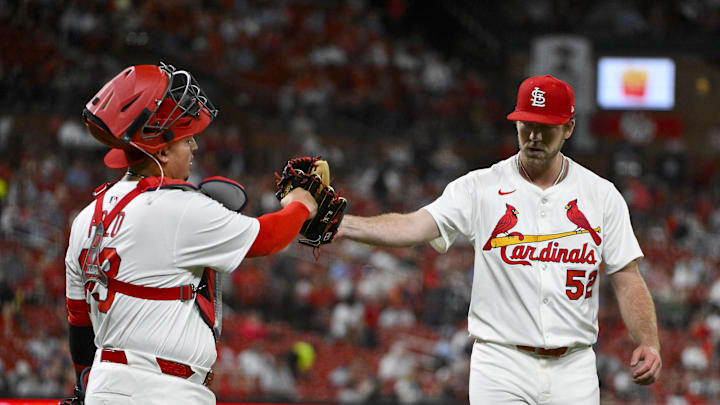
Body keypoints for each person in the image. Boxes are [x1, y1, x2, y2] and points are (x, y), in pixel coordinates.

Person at [338, 74, 662, 404]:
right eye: (526, 124)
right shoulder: (480, 187)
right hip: (501, 363)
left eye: (546, 126)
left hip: (574, 365)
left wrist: (648, 341)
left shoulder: (601, 195)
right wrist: (345, 225)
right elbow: (415, 227)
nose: (534, 136)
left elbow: (626, 276)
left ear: (568, 128)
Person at [63, 63, 318, 405]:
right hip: (162, 390)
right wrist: (303, 203)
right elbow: (269, 238)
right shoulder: (175, 207)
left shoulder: (85, 217)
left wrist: (83, 384)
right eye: (186, 139)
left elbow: (79, 320)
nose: (195, 147)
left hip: (104, 386)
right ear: (163, 151)